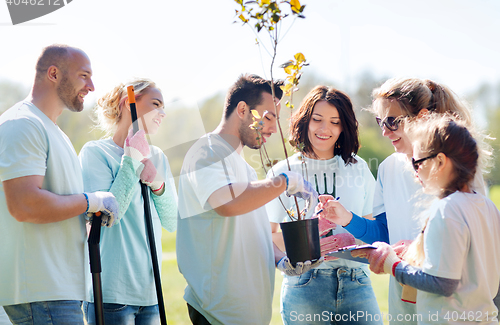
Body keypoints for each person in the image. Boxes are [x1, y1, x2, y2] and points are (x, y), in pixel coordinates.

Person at [318, 77, 488, 324]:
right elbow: (386, 233)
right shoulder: (388, 168)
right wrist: (347, 220)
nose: (385, 131)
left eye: (392, 121)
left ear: (420, 117)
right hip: (403, 298)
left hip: (452, 304)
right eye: (380, 122)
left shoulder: (457, 168)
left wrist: (418, 249)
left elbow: (475, 238)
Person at [176, 74, 322, 325]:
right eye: (268, 117)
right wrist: (284, 181)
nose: (274, 129)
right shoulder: (207, 151)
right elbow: (227, 204)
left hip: (246, 316)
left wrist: (281, 259)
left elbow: (254, 231)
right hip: (216, 314)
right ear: (242, 109)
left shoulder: (246, 170)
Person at [0, 44, 118, 324]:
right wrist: (91, 200)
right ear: (54, 73)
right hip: (41, 292)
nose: (91, 86)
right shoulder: (23, 124)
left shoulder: (56, 134)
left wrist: (87, 216)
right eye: (83, 75)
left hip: (59, 290)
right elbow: (25, 205)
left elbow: (58, 204)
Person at [350, 114, 500, 324]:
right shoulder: (488, 207)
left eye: (417, 163)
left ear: (440, 161)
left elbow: (442, 283)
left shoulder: (447, 209)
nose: (414, 172)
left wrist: (392, 264)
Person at [266, 86, 382, 325]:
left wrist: (354, 236)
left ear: (344, 127)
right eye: (316, 119)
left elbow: (372, 229)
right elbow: (266, 237)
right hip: (305, 284)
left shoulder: (358, 167)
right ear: (304, 121)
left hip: (356, 280)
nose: (324, 129)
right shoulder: (283, 172)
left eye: (334, 122)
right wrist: (307, 239)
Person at [79, 79, 178, 324]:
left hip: (151, 294)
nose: (162, 113)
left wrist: (158, 184)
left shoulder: (157, 157)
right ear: (128, 103)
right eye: (156, 104)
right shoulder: (95, 153)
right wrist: (131, 160)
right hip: (110, 293)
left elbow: (172, 221)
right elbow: (105, 217)